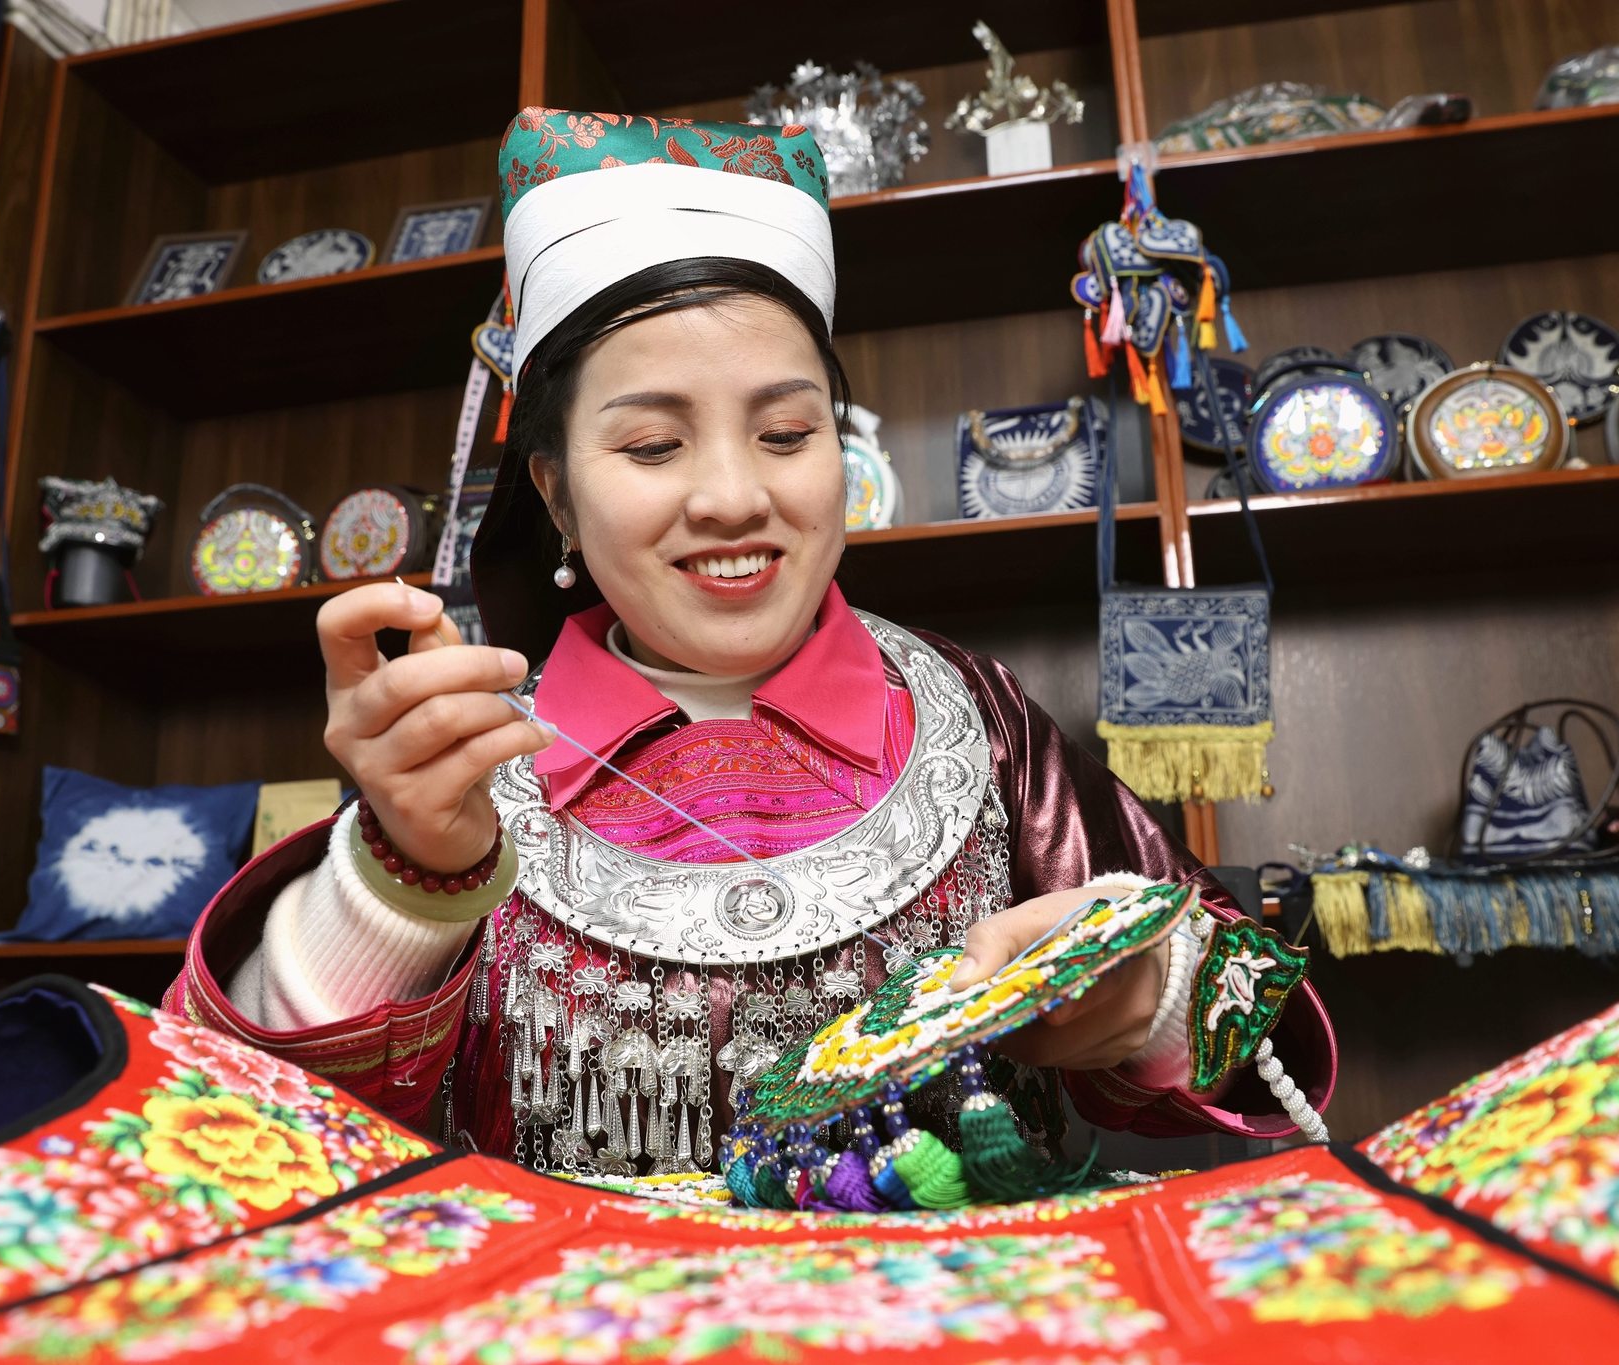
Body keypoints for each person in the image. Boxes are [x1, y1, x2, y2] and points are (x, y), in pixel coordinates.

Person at [163, 110, 1334, 1177]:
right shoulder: (461, 756)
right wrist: (407, 881)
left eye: (784, 431)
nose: (731, 497)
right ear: (557, 498)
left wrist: (1145, 995)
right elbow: (243, 1134)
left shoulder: (970, 718)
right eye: (652, 449)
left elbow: (1254, 1023)